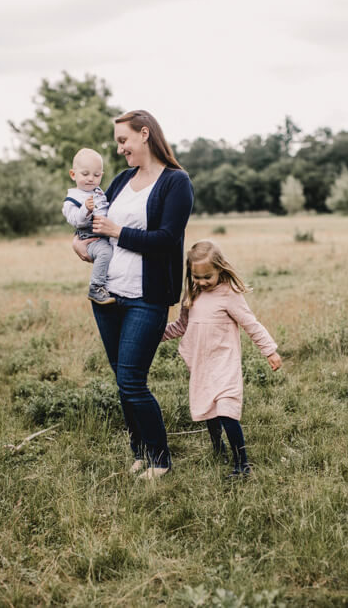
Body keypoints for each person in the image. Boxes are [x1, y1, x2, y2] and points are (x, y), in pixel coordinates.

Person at [73, 110, 194, 479]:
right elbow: (94, 222)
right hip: (108, 296)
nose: (120, 149)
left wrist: (117, 231)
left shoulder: (176, 182)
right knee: (120, 378)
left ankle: (160, 459)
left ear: (145, 135)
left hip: (147, 298)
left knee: (131, 380)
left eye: (124, 141)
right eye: (118, 143)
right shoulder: (122, 180)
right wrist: (81, 241)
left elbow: (166, 239)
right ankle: (139, 451)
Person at [162, 240, 282, 479]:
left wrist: (269, 350)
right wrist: (153, 335)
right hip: (201, 365)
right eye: (197, 277)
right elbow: (181, 326)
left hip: (224, 364)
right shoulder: (192, 294)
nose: (202, 282)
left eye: (208, 277)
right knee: (209, 409)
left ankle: (242, 465)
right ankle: (218, 449)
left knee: (227, 412)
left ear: (220, 269)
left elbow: (251, 324)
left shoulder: (229, 294)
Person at [62, 148, 115, 305]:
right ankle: (96, 286)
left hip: (104, 234)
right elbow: (75, 221)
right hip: (90, 239)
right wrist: (86, 209)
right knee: (105, 252)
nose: (91, 179)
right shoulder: (72, 199)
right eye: (85, 174)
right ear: (73, 174)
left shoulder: (99, 192)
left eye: (96, 175)